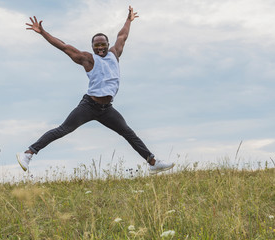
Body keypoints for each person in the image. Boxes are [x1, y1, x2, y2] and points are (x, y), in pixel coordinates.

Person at [16, 6, 174, 174]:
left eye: (102, 45)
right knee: (63, 129)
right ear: (92, 46)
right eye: (96, 45)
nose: (100, 48)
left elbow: (123, 35)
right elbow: (64, 46)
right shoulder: (88, 59)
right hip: (89, 106)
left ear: (107, 44)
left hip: (107, 109)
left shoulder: (115, 53)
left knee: (128, 132)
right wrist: (43, 32)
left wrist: (129, 20)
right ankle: (28, 153)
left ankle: (152, 162)